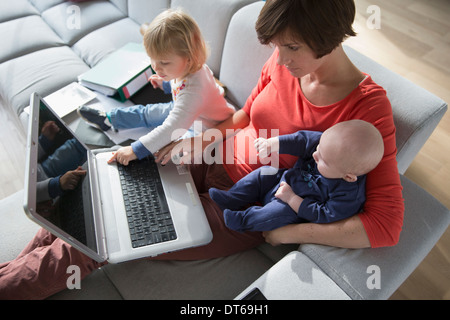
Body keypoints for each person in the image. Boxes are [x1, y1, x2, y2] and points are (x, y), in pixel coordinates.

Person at [0, 0, 404, 299]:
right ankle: (13, 271)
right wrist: (202, 139)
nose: (278, 58)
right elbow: (245, 114)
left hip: (246, 207)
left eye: (291, 48)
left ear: (330, 38)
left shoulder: (366, 108)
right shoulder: (284, 62)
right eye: (275, 46)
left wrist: (286, 232)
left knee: (103, 237)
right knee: (99, 180)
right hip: (212, 160)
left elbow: (385, 227)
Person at [77, 9, 235, 165]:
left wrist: (135, 149)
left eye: (164, 63)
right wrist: (166, 83)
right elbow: (180, 85)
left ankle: (138, 159)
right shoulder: (185, 69)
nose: (156, 68)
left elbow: (171, 127)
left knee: (168, 150)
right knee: (149, 112)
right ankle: (109, 119)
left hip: (206, 129)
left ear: (189, 57)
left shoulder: (194, 90)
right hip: (188, 111)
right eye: (153, 60)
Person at [209, 120, 384, 232]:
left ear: (348, 177)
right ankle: (231, 197)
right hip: (283, 178)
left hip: (292, 207)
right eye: (319, 149)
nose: (315, 155)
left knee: (272, 214)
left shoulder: (349, 195)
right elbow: (302, 141)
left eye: (324, 160)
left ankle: (242, 220)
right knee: (262, 174)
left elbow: (324, 215)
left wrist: (292, 199)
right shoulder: (327, 145)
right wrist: (273, 143)